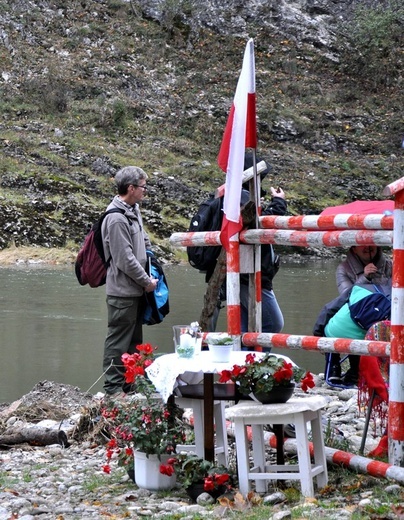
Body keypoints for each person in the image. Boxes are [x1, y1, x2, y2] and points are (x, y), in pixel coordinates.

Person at [101, 166, 157, 397]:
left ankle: (131, 385)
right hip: (122, 292)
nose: (146, 191)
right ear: (131, 188)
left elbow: (142, 240)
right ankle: (112, 389)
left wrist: (152, 258)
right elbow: (125, 260)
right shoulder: (115, 218)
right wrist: (146, 281)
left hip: (136, 291)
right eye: (143, 186)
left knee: (134, 341)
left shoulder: (133, 209)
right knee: (118, 342)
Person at [328, 246, 392, 385]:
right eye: (363, 244)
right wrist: (364, 277)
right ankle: (335, 367)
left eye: (372, 244)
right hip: (355, 309)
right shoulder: (343, 268)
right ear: (354, 248)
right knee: (332, 322)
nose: (368, 247)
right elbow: (346, 294)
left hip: (382, 311)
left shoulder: (388, 265)